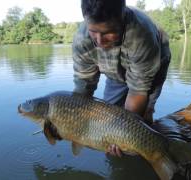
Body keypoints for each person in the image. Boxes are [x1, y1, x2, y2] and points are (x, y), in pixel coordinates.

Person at [72, 0, 171, 157]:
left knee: (141, 121)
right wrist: (70, 124)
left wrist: (124, 134)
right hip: (112, 71)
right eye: (93, 31)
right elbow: (83, 87)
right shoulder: (81, 39)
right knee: (107, 125)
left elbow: (138, 90)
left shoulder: (142, 34)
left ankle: (157, 153)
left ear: (122, 17)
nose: (99, 40)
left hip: (150, 66)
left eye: (107, 32)